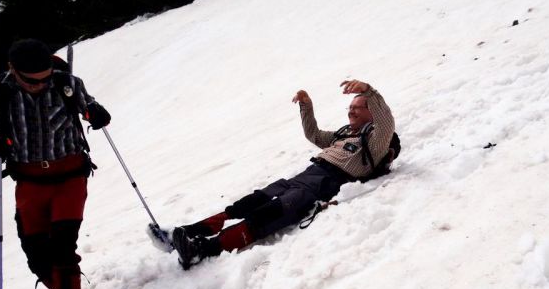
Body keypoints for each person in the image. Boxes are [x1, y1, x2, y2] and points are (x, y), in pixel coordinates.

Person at [168, 79, 395, 269]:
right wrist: (306, 107)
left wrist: (369, 91)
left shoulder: (375, 143)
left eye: (357, 107)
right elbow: (314, 135)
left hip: (321, 186)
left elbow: (386, 122)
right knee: (249, 202)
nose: (351, 111)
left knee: (267, 215)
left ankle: (202, 250)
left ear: (371, 113)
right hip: (304, 176)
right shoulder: (344, 134)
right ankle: (189, 232)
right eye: (350, 107)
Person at [0, 38, 111, 289]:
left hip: (69, 174)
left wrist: (95, 112)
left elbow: (88, 106)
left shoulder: (67, 83)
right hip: (29, 181)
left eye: (44, 79)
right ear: (12, 69)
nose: (39, 86)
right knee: (35, 249)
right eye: (31, 81)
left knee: (63, 244)